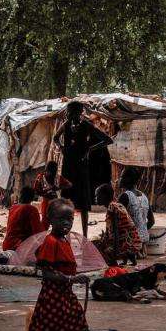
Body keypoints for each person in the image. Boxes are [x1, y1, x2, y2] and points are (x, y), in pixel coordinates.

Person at [0, 199, 100, 331]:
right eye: (61, 219)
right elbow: (46, 272)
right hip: (54, 296)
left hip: (64, 294)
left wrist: (73, 279)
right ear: (50, 219)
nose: (67, 224)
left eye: (69, 219)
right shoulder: (51, 242)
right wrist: (72, 279)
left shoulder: (64, 240)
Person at [53, 101, 112, 237]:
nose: (68, 115)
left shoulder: (86, 125)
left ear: (78, 113)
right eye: (68, 113)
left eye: (70, 113)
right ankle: (65, 233)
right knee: (67, 202)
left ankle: (84, 235)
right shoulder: (66, 125)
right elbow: (55, 138)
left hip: (81, 169)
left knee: (83, 204)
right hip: (68, 168)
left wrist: (89, 149)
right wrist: (61, 147)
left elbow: (108, 140)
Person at [93, 182, 143, 266]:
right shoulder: (118, 205)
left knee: (101, 248)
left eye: (97, 196)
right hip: (135, 241)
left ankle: (114, 262)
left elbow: (116, 232)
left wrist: (114, 254)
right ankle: (129, 257)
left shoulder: (112, 208)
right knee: (104, 240)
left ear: (104, 196)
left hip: (128, 243)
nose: (95, 198)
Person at [2, 186, 46, 253]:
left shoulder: (13, 207)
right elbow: (38, 232)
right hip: (19, 246)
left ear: (20, 196)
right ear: (32, 198)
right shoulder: (31, 209)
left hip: (7, 244)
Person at [118, 167, 152, 242]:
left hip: (131, 242)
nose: (119, 179)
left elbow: (117, 222)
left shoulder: (125, 196)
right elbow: (151, 221)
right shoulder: (144, 197)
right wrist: (142, 230)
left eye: (122, 177)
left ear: (128, 179)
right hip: (144, 239)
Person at [33, 159, 67, 224]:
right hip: (48, 200)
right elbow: (36, 190)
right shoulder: (41, 177)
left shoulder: (54, 178)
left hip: (51, 200)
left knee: (49, 221)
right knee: (47, 221)